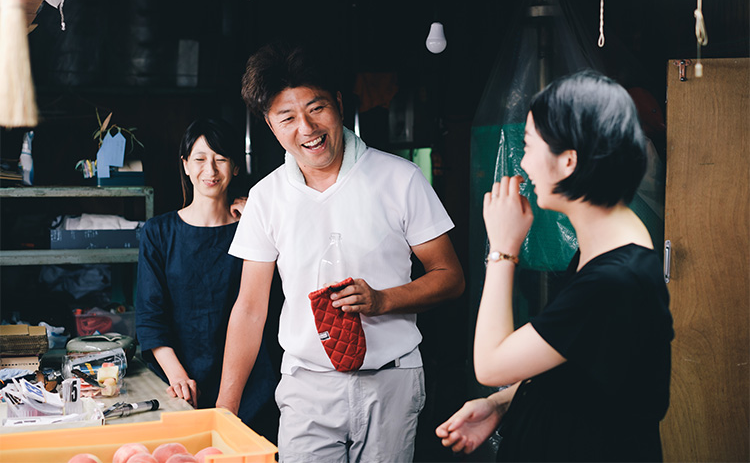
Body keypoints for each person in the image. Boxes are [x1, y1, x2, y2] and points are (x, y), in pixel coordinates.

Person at [216, 42, 465, 463]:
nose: (307, 128)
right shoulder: (265, 197)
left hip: (391, 380)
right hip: (306, 385)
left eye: (317, 108)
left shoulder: (400, 178)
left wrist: (384, 299)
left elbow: (450, 276)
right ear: (270, 125)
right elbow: (250, 308)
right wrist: (226, 407)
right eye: (288, 117)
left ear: (340, 104)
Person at [436, 70, 674, 461]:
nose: (525, 163)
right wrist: (506, 402)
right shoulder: (601, 254)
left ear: (568, 161)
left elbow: (491, 366)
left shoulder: (614, 280)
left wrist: (503, 248)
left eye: (529, 145)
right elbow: (580, 364)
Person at [136, 118, 276, 428]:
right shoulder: (158, 233)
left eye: (220, 159)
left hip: (254, 387)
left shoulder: (254, 229)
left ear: (235, 166)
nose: (210, 170)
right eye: (200, 159)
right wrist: (178, 376)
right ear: (185, 165)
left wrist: (259, 219)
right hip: (179, 386)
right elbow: (149, 318)